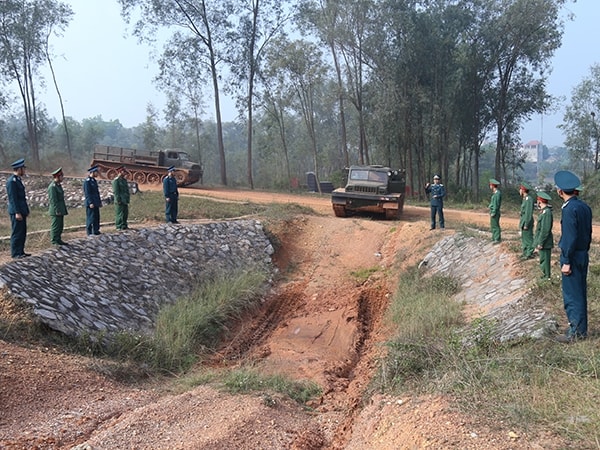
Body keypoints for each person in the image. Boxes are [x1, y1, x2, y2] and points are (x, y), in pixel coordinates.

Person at [554, 170, 592, 343]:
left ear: (560, 191)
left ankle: (575, 333)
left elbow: (570, 237)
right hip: (583, 254)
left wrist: (567, 260)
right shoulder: (584, 207)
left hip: (573, 256)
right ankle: (581, 330)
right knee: (580, 293)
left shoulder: (569, 210)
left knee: (572, 295)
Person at [6, 158, 30, 258]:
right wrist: (17, 212)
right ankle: (15, 253)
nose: (24, 171)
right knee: (17, 232)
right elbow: (13, 199)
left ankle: (21, 251)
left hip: (22, 210)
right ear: (19, 169)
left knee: (22, 231)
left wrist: (26, 210)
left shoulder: (18, 180)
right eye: (23, 169)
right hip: (16, 211)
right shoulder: (12, 182)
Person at [533, 191, 553, 280]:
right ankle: (544, 275)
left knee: (545, 260)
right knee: (542, 259)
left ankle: (546, 277)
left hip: (545, 242)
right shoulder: (544, 212)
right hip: (543, 241)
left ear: (539, 201)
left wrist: (541, 242)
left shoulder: (547, 213)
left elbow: (545, 230)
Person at [47, 167, 68, 246]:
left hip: (61, 208)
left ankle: (58, 239)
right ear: (57, 176)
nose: (62, 178)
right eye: (61, 176)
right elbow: (53, 200)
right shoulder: (52, 187)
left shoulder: (58, 185)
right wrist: (57, 210)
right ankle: (54, 241)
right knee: (55, 226)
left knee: (60, 226)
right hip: (56, 210)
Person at [83, 165, 102, 235]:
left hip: (96, 202)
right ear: (93, 172)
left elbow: (97, 193)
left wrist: (99, 202)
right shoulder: (87, 181)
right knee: (91, 217)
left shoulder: (94, 181)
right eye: (96, 172)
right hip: (91, 203)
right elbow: (87, 193)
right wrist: (90, 202)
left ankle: (96, 230)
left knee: (96, 217)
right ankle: (89, 232)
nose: (97, 174)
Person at [518, 182, 535, 259]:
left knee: (528, 238)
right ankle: (525, 252)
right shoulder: (525, 199)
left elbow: (528, 213)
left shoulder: (529, 199)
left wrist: (526, 224)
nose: (519, 191)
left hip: (526, 221)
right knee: (524, 238)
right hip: (523, 221)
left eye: (520, 189)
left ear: (523, 190)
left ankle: (529, 253)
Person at [112, 166, 130, 230]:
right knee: (119, 214)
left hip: (124, 199)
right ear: (120, 172)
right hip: (120, 200)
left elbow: (126, 190)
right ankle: (119, 226)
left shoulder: (124, 180)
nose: (125, 173)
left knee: (125, 213)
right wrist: (118, 200)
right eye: (124, 172)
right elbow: (116, 192)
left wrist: (127, 198)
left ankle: (124, 225)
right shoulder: (116, 181)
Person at [488, 178, 502, 244]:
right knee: (493, 225)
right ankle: (494, 237)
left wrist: (493, 212)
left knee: (495, 225)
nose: (490, 186)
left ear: (493, 185)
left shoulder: (497, 194)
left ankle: (497, 238)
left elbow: (496, 204)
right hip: (493, 211)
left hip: (495, 212)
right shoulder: (495, 193)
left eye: (490, 185)